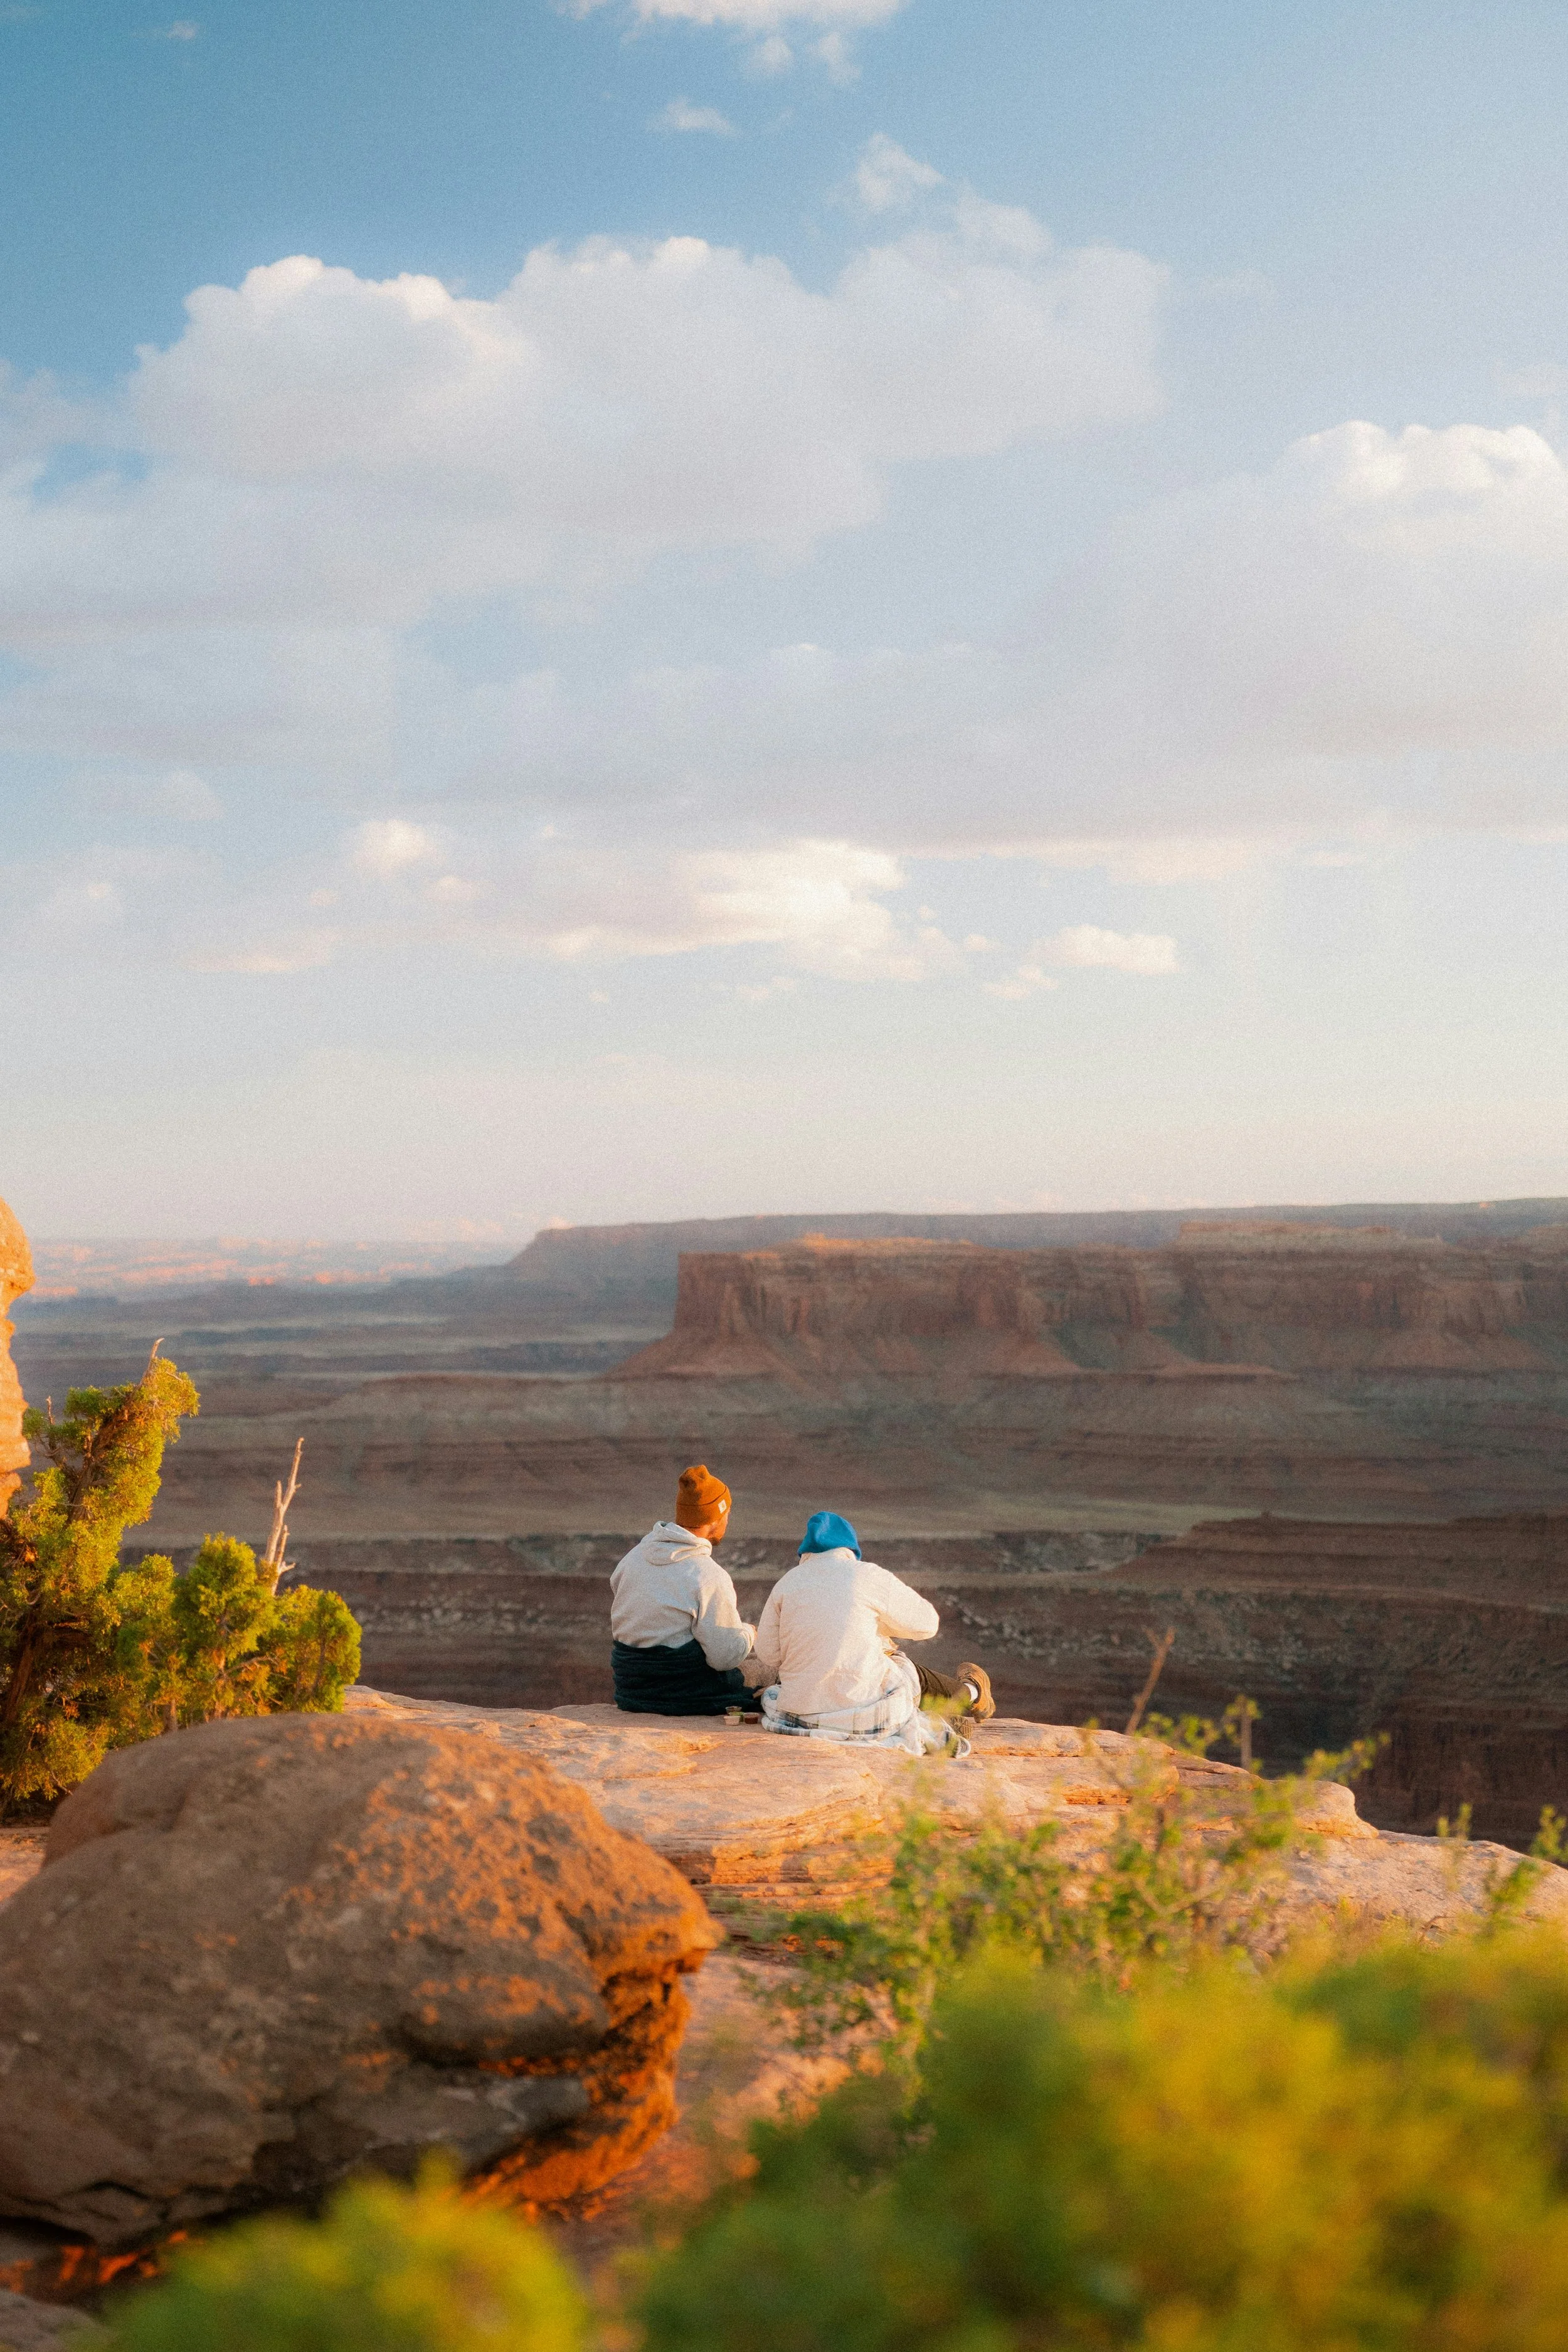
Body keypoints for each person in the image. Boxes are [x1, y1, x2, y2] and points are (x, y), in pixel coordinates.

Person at [751, 1509, 993, 1747]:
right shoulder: (866, 1574)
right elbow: (928, 1624)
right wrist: (881, 1627)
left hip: (800, 1714)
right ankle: (972, 1693)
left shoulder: (787, 1582)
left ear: (806, 1552)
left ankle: (949, 1708)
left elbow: (768, 1654)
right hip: (866, 1714)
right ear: (850, 1550)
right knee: (902, 1667)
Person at [610, 1463, 761, 1716]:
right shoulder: (708, 1576)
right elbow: (724, 1658)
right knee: (767, 1669)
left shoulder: (632, 1559)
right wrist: (750, 1633)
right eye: (727, 1513)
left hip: (631, 1692)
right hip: (681, 1696)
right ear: (715, 1518)